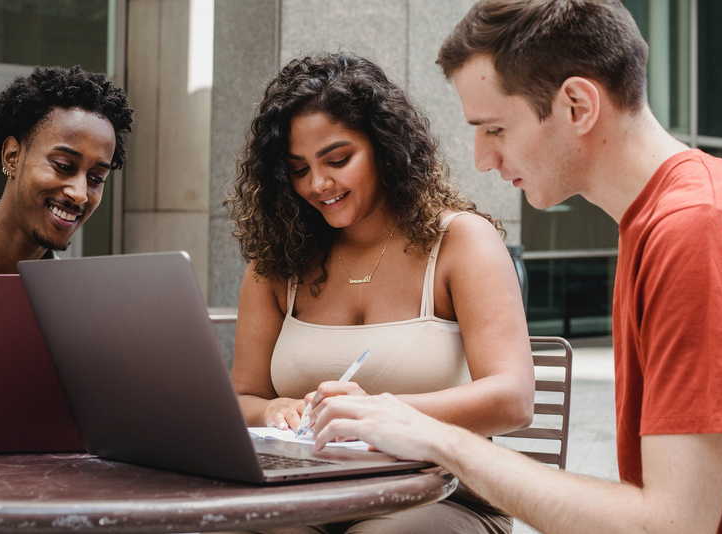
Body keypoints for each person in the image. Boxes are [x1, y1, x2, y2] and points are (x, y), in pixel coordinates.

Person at [310, 2, 722, 534]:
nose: (480, 158)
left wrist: (433, 434)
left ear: (577, 105)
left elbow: (673, 525)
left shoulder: (693, 229)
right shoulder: (664, 217)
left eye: (494, 129)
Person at [226, 52, 535, 533]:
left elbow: (513, 399)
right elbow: (241, 396)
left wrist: (377, 414)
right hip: (307, 498)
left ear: (386, 147)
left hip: (440, 497)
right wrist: (270, 409)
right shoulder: (277, 263)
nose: (318, 184)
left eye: (337, 160)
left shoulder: (459, 242)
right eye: (299, 168)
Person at [0, 65, 134, 274]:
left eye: (96, 178)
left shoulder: (68, 300)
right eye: (64, 166)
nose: (80, 194)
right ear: (12, 157)